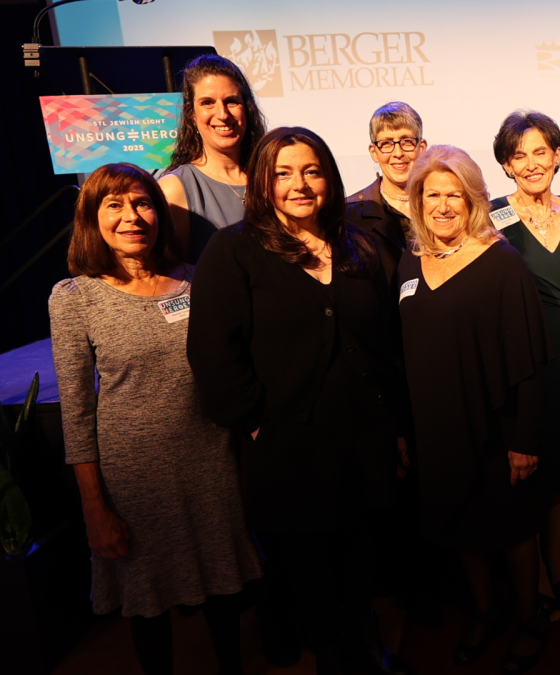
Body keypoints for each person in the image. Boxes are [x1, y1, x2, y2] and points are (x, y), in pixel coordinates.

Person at [186, 127, 409, 674]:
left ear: (328, 177)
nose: (299, 184)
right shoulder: (234, 249)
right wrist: (256, 424)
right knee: (309, 571)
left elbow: (387, 342)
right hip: (289, 449)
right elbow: (213, 354)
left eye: (311, 171)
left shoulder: (357, 242)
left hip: (363, 439)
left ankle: (367, 652)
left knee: (361, 560)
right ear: (262, 183)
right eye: (283, 173)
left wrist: (396, 425)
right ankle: (334, 660)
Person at [48, 163, 261, 675]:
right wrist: (94, 510)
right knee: (149, 603)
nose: (131, 216)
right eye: (114, 205)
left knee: (225, 596)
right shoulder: (75, 298)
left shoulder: (194, 279)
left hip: (212, 463)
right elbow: (76, 413)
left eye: (142, 203)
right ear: (92, 218)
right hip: (135, 479)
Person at [395, 145, 552, 673]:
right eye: (431, 194)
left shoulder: (501, 262)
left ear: (473, 200)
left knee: (510, 533)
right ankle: (486, 613)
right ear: (417, 200)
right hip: (438, 430)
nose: (442, 206)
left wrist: (525, 438)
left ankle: (530, 619)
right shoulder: (408, 260)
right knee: (461, 531)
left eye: (453, 195)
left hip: (496, 426)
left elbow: (531, 360)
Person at [488, 110, 560, 622]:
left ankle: (556, 557)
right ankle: (529, 572)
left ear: (557, 155)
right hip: (519, 356)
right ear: (506, 165)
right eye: (518, 155)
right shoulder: (488, 216)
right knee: (525, 466)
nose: (531, 163)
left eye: (540, 152)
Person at [159, 54, 268, 263]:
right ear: (191, 113)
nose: (222, 114)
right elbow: (170, 280)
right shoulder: (175, 189)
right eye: (207, 103)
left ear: (247, 107)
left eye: (231, 102)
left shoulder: (272, 176)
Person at [345, 101, 428, 286]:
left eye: (406, 142)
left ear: (421, 147)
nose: (397, 153)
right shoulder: (349, 215)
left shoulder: (442, 206)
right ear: (374, 152)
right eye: (387, 143)